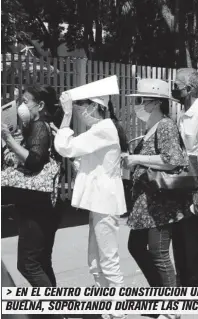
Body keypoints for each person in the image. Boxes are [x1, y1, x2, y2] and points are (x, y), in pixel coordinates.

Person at [54, 88, 128, 296]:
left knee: (107, 257)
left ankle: (117, 307)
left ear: (94, 106)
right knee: (96, 258)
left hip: (104, 201)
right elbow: (89, 161)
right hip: (100, 200)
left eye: (82, 107)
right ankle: (106, 302)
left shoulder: (103, 128)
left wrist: (66, 115)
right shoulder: (104, 128)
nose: (80, 112)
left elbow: (65, 147)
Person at [123, 79, 189, 304]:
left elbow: (173, 160)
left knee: (159, 253)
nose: (138, 105)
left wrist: (136, 158)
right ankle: (161, 294)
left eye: (141, 100)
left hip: (159, 203)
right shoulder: (151, 128)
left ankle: (171, 305)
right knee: (136, 247)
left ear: (154, 103)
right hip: (145, 203)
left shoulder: (165, 125)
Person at [1, 85, 61, 287]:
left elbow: (34, 161)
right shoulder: (41, 126)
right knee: (41, 262)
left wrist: (9, 140)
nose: (21, 106)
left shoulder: (39, 126)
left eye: (25, 101)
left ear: (40, 105)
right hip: (43, 203)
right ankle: (56, 309)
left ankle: (53, 313)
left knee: (28, 264)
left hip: (36, 205)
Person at [172, 68, 198, 287]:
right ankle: (182, 281)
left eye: (177, 85)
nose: (174, 88)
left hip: (193, 181)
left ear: (189, 89)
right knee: (178, 235)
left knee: (193, 236)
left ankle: (196, 284)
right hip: (179, 180)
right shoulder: (182, 114)